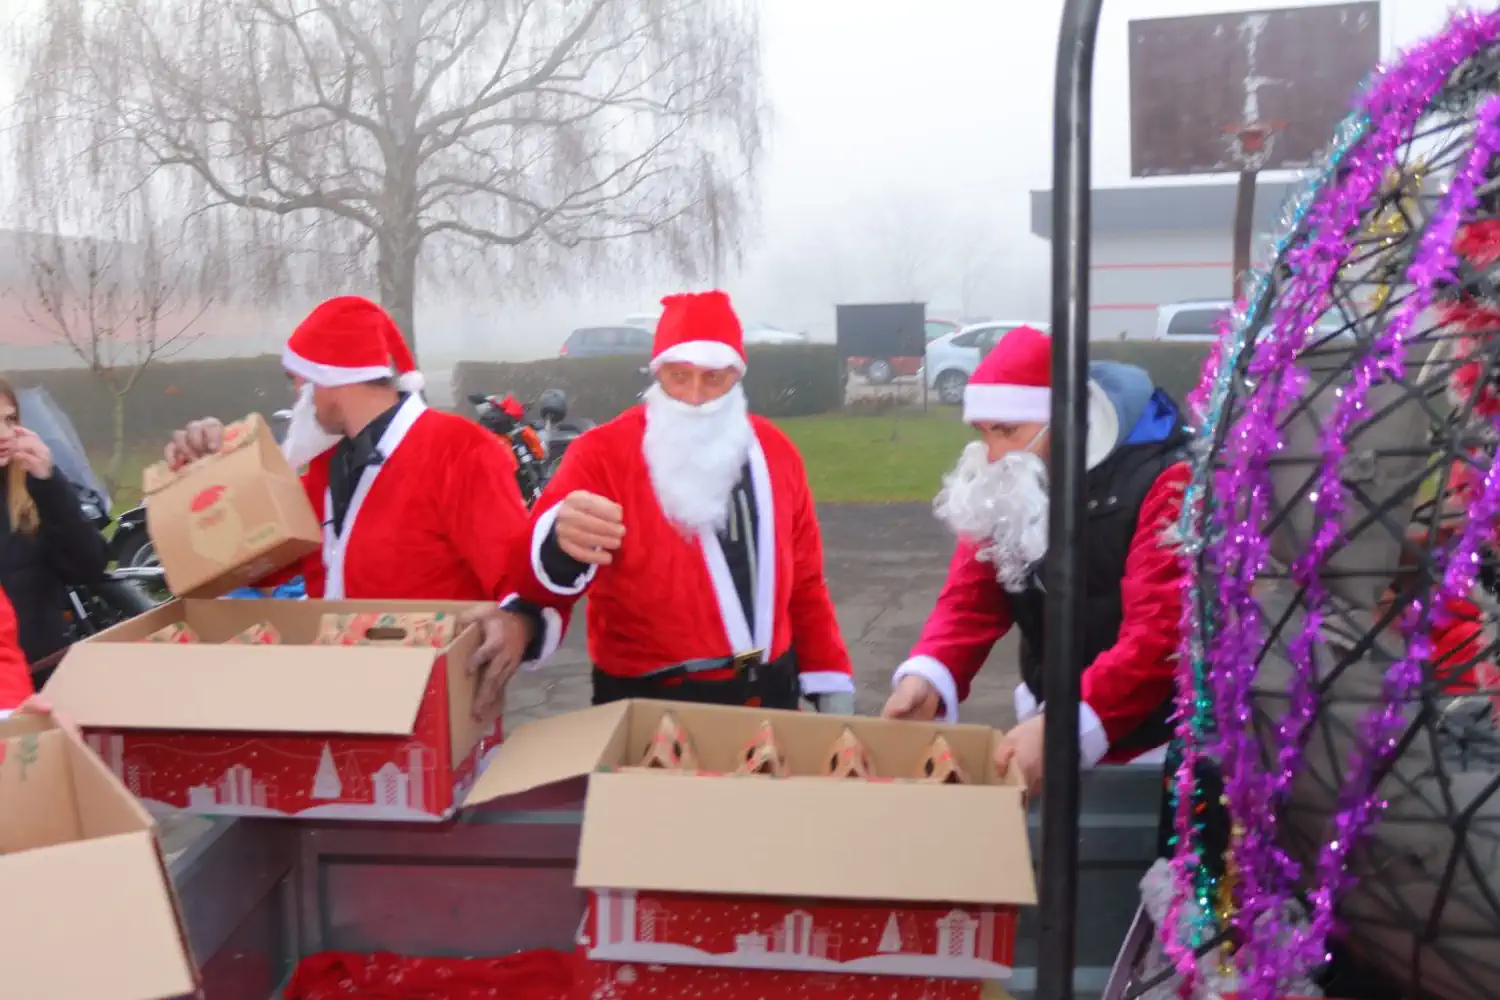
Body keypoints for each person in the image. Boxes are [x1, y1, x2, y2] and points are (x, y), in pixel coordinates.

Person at [467, 291, 855, 714]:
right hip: (650, 705)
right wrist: (558, 544)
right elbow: (532, 580)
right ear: (658, 374)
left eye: (713, 378)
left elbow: (805, 584)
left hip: (772, 698)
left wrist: (829, 678)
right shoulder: (603, 454)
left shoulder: (777, 453)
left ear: (736, 376)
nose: (694, 395)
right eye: (678, 376)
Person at [162, 296, 553, 710]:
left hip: (437, 713)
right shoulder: (326, 464)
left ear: (327, 378)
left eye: (298, 379)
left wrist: (522, 622)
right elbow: (257, 563)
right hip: (342, 704)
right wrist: (211, 469)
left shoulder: (460, 451)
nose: (298, 394)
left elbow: (518, 578)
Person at [881, 325, 1190, 796]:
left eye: (1008, 431)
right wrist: (929, 673)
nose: (994, 454)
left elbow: (1159, 633)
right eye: (983, 433)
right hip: (1046, 728)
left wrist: (1070, 724)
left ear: (1066, 423)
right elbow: (972, 597)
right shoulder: (1015, 481)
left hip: (1156, 751)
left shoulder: (1164, 482)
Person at [0, 378, 110, 668]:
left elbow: (88, 566)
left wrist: (49, 483)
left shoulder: (31, 490)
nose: (4, 434)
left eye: (10, 419)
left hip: (42, 674)